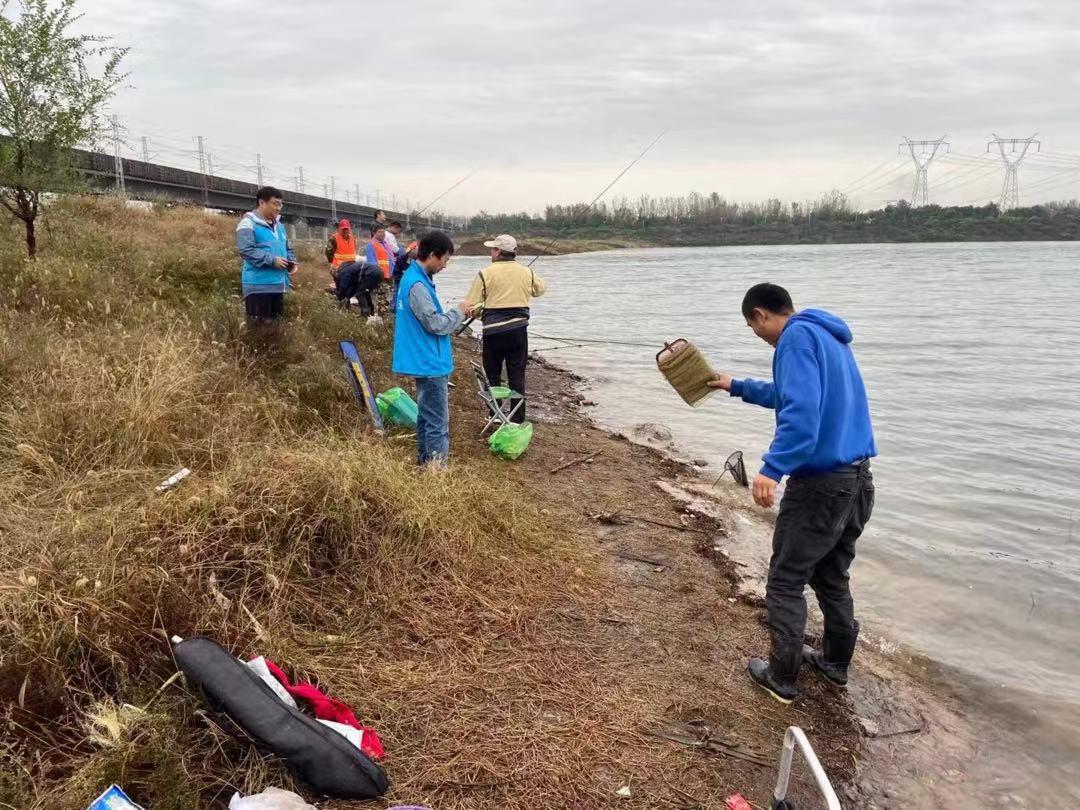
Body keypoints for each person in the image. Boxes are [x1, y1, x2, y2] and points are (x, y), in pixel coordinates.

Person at [707, 283, 877, 704]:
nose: (755, 333)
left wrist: (772, 467)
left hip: (820, 485)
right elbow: (791, 395)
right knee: (831, 575)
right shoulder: (826, 336)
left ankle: (782, 677)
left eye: (752, 325)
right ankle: (836, 664)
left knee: (785, 580)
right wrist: (736, 385)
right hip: (857, 481)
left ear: (763, 314)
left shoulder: (794, 338)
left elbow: (801, 412)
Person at [391, 231, 473, 466]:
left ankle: (426, 466)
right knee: (437, 422)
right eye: (445, 260)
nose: (444, 266)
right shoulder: (417, 285)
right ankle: (436, 473)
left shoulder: (415, 279)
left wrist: (459, 315)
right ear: (433, 255)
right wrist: (459, 311)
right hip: (429, 362)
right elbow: (435, 324)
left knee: (427, 418)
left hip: (424, 359)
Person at [464, 234, 546, 422]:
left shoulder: (485, 273)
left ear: (498, 252)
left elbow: (471, 307)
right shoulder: (527, 272)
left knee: (492, 374)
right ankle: (518, 418)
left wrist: (479, 312)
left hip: (493, 333)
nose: (491, 253)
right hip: (518, 332)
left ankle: (495, 414)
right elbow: (540, 289)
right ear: (514, 253)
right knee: (517, 375)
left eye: (492, 249)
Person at [236, 186, 297, 322]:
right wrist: (272, 260)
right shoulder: (248, 223)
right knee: (260, 331)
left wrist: (291, 262)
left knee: (276, 328)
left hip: (279, 285)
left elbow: (287, 247)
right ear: (262, 203)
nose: (279, 208)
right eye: (275, 203)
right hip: (258, 287)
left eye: (281, 204)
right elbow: (246, 250)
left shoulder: (279, 226)